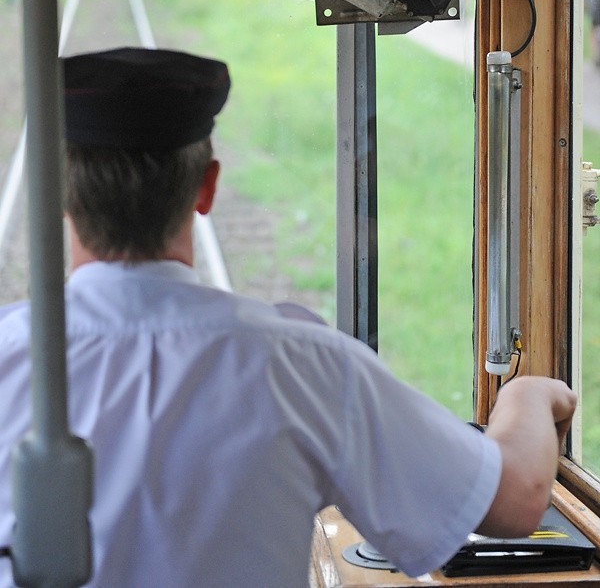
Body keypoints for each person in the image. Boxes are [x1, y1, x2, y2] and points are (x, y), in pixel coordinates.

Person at [0, 46, 576, 587]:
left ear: (55, 195)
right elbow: (515, 498)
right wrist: (525, 396)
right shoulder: (302, 362)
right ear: (207, 188)